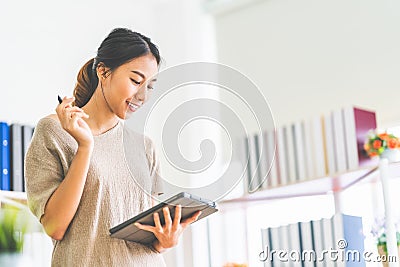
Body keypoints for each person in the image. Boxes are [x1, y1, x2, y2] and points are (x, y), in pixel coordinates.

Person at [25, 28, 201, 266]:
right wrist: (85, 146)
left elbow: (147, 237)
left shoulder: (144, 147)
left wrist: (165, 241)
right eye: (135, 81)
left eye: (149, 86)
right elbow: (55, 227)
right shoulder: (55, 131)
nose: (142, 96)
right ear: (103, 71)